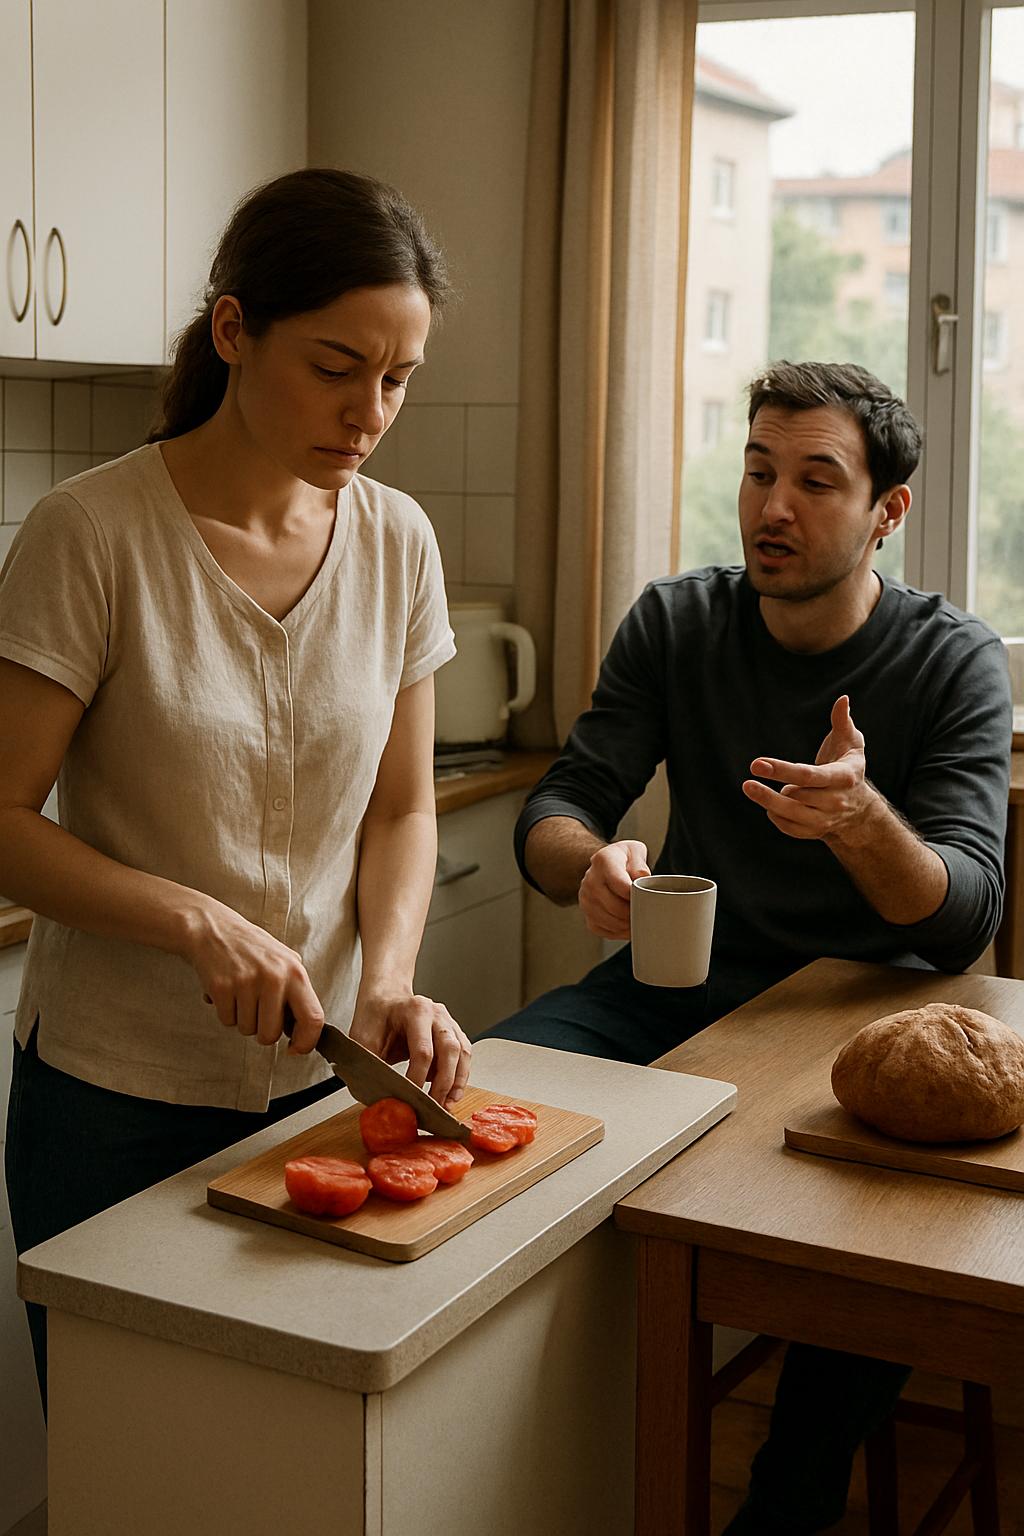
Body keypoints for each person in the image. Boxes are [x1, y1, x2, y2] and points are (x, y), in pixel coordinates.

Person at [484, 360, 1012, 1534]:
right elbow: (560, 802)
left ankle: (790, 1495)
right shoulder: (677, 621)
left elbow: (967, 911)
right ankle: (532, 1457)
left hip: (860, 1033)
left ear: (888, 511)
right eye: (759, 472)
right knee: (487, 1109)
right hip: (671, 992)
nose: (773, 507)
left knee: (865, 1248)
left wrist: (863, 821)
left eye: (815, 481)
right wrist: (592, 865)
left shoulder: (953, 660)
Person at [1, 168, 473, 1410]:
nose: (369, 411)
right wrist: (196, 921)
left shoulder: (397, 541)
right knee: (131, 1457)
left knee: (282, 1453)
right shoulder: (89, 534)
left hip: (312, 1093)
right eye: (335, 366)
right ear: (231, 332)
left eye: (398, 378)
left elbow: (401, 807)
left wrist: (386, 977)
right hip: (109, 1100)